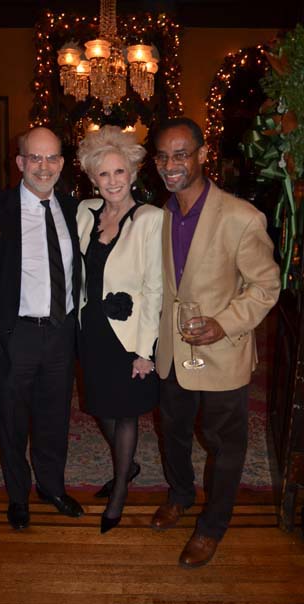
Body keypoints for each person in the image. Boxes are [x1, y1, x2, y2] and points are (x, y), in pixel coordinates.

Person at [150, 117, 281, 567]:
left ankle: (212, 526)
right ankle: (181, 495)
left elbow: (266, 286)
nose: (172, 164)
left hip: (221, 353)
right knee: (174, 434)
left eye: (181, 154)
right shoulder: (158, 215)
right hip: (171, 351)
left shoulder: (242, 217)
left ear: (203, 155)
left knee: (225, 444)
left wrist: (225, 323)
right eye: (163, 156)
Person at [0, 126, 83, 530]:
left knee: (54, 417)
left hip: (61, 333)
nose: (43, 167)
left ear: (61, 163)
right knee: (11, 421)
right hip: (17, 334)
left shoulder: (75, 207)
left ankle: (51, 486)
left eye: (51, 158)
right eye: (35, 158)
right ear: (20, 162)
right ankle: (18, 497)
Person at [76, 125, 163, 533]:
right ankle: (128, 466)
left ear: (133, 173)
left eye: (120, 172)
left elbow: (155, 288)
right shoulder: (85, 212)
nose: (112, 181)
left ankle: (119, 493)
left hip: (128, 334)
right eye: (103, 174)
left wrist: (145, 350)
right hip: (91, 327)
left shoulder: (149, 218)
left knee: (124, 411)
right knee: (100, 406)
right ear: (93, 178)